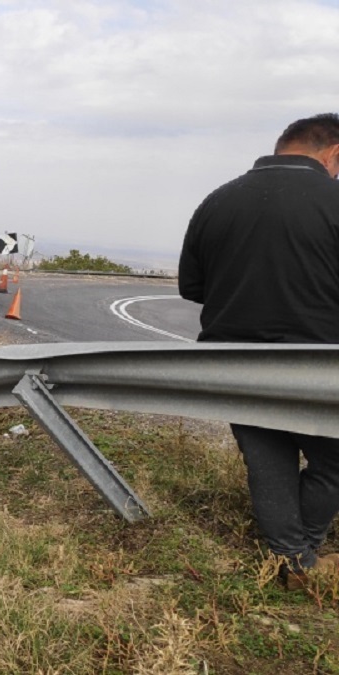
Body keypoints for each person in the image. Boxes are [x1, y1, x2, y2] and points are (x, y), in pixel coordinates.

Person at [179, 113, 339, 589]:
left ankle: (293, 561)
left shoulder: (217, 200)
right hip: (318, 364)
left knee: (268, 458)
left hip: (232, 362)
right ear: (333, 154)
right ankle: (300, 553)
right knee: (333, 460)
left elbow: (193, 288)